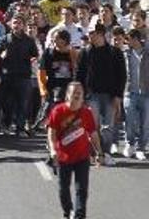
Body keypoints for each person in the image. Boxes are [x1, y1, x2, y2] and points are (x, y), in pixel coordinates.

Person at [47, 82, 100, 219]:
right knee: (63, 189)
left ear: (83, 97)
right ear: (67, 95)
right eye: (74, 92)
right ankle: (67, 211)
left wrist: (99, 152)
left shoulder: (86, 113)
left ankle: (79, 216)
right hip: (63, 157)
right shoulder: (58, 111)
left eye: (80, 93)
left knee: (81, 190)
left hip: (82, 157)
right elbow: (51, 134)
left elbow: (93, 134)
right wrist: (53, 151)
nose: (77, 95)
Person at [76, 22, 126, 166]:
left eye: (92, 33)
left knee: (108, 127)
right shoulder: (85, 52)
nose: (89, 36)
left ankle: (106, 153)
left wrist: (118, 96)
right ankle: (95, 154)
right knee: (93, 126)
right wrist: (80, 96)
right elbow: (79, 75)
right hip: (91, 95)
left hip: (110, 95)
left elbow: (121, 75)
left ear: (100, 34)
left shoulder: (115, 52)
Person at [123, 29, 149, 160]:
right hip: (130, 91)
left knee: (145, 123)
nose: (128, 42)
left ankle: (141, 148)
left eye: (130, 39)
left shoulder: (147, 51)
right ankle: (130, 144)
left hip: (146, 92)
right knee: (129, 121)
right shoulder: (126, 53)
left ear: (136, 39)